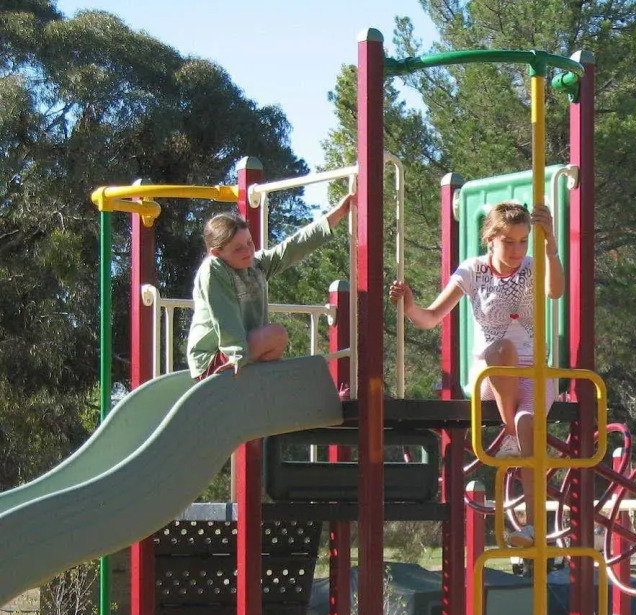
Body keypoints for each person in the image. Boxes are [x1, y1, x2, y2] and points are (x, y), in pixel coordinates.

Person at [389, 201, 564, 545]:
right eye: (508, 241)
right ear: (491, 239)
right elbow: (429, 318)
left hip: (534, 372)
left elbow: (555, 291)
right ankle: (512, 432)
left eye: (523, 241)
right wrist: (409, 305)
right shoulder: (473, 271)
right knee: (503, 349)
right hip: (493, 374)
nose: (516, 250)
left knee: (531, 423)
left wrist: (551, 247)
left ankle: (531, 528)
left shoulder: (534, 267)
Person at [186, 194, 356, 379]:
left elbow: (290, 249)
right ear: (216, 253)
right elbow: (224, 314)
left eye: (249, 242)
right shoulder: (213, 269)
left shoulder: (255, 265)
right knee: (275, 335)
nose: (248, 251)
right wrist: (235, 353)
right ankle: (247, 378)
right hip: (216, 359)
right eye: (238, 248)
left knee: (276, 339)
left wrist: (336, 215)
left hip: (240, 352)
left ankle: (255, 383)